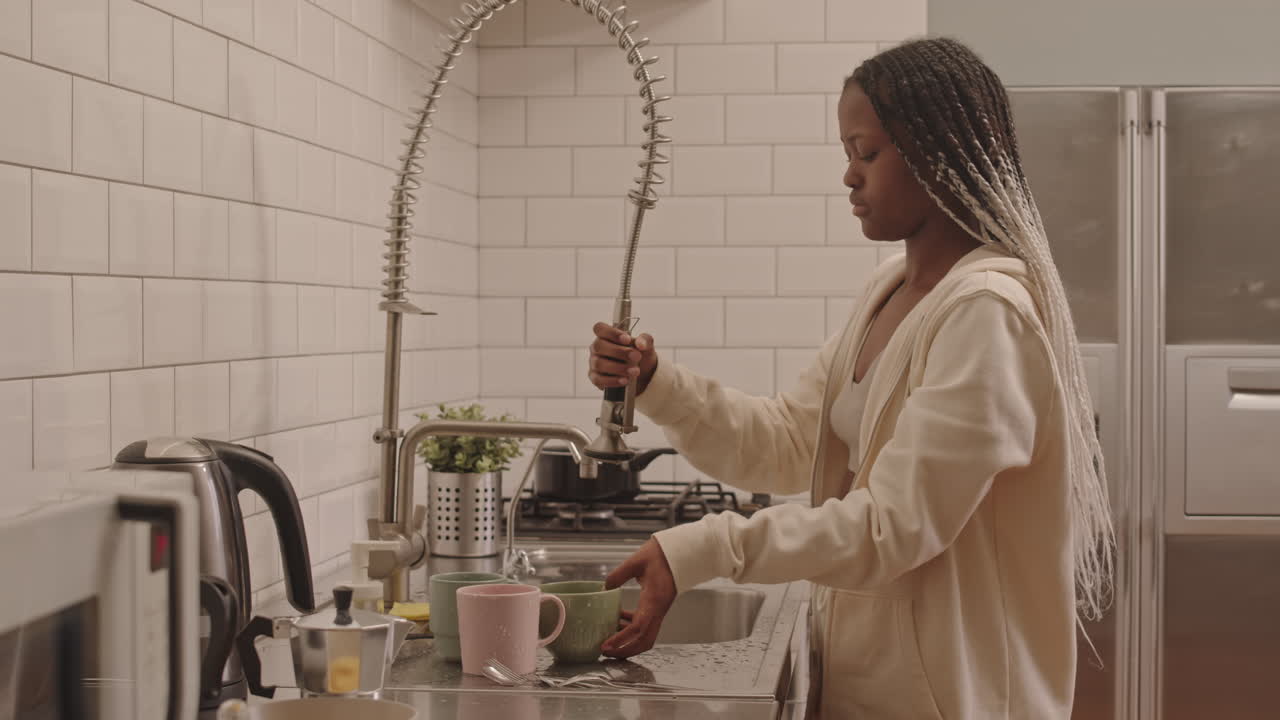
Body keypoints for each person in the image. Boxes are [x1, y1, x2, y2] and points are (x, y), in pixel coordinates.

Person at [585, 37, 1115, 719]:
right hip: (876, 690)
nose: (849, 177)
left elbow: (895, 526)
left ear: (937, 153)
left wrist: (710, 546)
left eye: (866, 153)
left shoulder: (987, 314)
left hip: (956, 701)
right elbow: (784, 442)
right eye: (847, 154)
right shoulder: (889, 292)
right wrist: (655, 381)